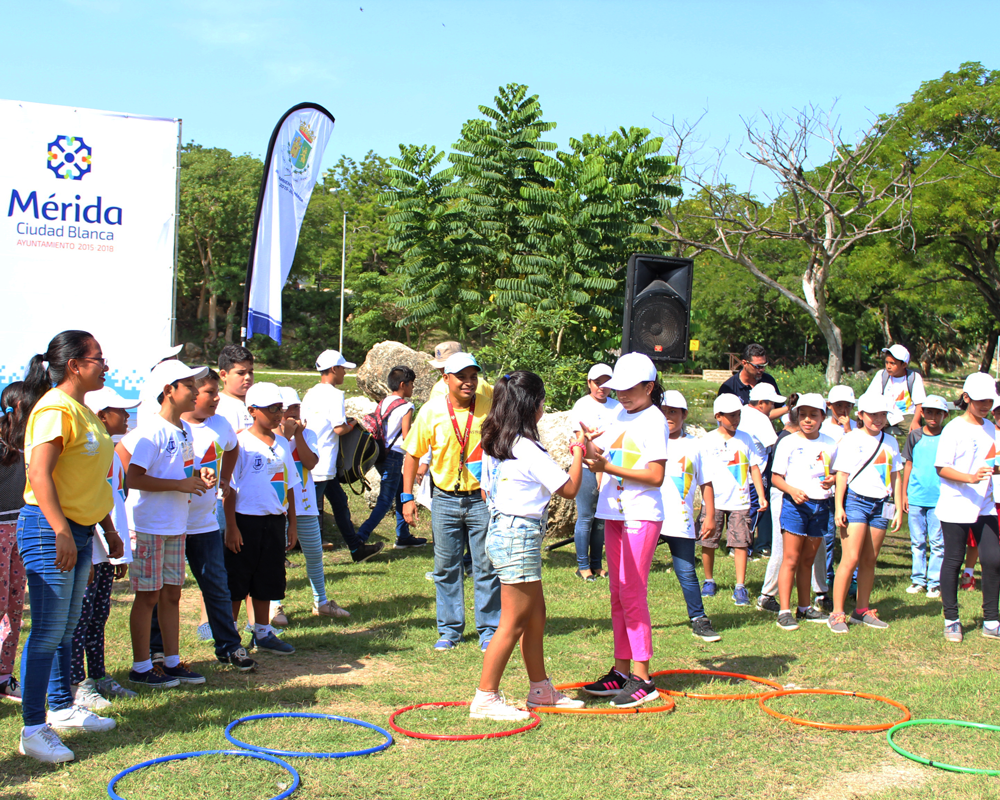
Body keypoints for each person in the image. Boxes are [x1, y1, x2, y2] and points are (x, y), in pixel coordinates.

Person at [17, 331, 123, 763]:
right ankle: (32, 728)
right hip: (49, 530)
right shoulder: (55, 409)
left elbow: (87, 481)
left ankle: (62, 708)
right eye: (99, 358)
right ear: (76, 365)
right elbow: (39, 474)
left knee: (66, 628)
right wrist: (61, 531)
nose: (106, 366)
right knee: (46, 631)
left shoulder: (83, 411)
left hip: (77, 531)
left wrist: (106, 530)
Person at [470, 371, 587, 719]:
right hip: (517, 537)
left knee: (535, 616)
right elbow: (569, 489)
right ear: (532, 405)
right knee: (513, 622)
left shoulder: (499, 441)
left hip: (508, 533)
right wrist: (579, 450)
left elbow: (489, 490)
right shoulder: (527, 448)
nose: (544, 406)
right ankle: (485, 698)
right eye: (542, 400)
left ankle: (540, 690)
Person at [146, 370, 257, 671]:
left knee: (217, 584)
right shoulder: (169, 426)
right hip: (169, 522)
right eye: (208, 392)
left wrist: (225, 478)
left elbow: (232, 448)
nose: (215, 398)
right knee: (162, 590)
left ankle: (229, 646)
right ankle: (157, 651)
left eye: (215, 392)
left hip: (203, 522)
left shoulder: (220, 424)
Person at [581, 353, 668, 708]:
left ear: (649, 387)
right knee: (617, 593)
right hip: (613, 512)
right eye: (619, 388)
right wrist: (586, 443)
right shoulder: (619, 413)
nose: (622, 395)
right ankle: (621, 671)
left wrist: (609, 469)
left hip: (641, 514)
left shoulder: (655, 419)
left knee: (632, 592)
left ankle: (643, 678)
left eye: (630, 389)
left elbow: (656, 476)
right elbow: (598, 454)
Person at [401, 352, 500, 652]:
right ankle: (449, 630)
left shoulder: (489, 406)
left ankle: (489, 631)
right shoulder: (431, 411)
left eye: (473, 376)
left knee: (486, 566)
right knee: (446, 568)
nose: (469, 382)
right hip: (444, 499)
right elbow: (412, 454)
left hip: (481, 499)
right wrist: (407, 498)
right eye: (462, 377)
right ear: (446, 379)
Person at [122, 361, 210, 688]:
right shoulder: (151, 432)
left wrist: (198, 475)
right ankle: (141, 667)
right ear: (168, 391)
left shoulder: (183, 430)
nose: (196, 391)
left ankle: (172, 662)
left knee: (172, 594)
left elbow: (179, 470)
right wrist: (179, 485)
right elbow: (133, 477)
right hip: (149, 526)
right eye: (189, 385)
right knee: (148, 596)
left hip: (175, 525)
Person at [69, 388, 140, 710]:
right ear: (100, 416)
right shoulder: (86, 453)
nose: (126, 417)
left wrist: (117, 548)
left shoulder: (110, 452)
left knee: (99, 617)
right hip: (87, 546)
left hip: (104, 550)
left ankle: (98, 675)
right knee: (79, 621)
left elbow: (113, 502)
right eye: (120, 411)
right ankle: (76, 683)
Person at [225, 382, 300, 655]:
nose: (278, 414)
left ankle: (263, 632)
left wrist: (292, 524)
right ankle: (230, 637)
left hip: (274, 521)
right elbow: (229, 487)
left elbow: (290, 485)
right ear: (252, 410)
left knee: (267, 578)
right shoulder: (240, 443)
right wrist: (231, 526)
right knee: (238, 579)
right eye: (271, 409)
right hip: (245, 521)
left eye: (280, 408)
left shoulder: (282, 443)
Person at [270, 387, 349, 624]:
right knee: (276, 555)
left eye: (296, 407)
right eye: (288, 409)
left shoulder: (308, 434)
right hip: (277, 505)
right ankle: (274, 605)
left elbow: (310, 462)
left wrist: (298, 436)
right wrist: (284, 435)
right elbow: (277, 458)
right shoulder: (270, 437)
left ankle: (321, 602)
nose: (293, 413)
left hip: (305, 504)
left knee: (314, 553)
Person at [828, 393, 903, 634]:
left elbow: (896, 475)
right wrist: (839, 507)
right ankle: (836, 613)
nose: (878, 419)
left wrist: (898, 507)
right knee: (850, 559)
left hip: (882, 504)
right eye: (872, 415)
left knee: (870, 559)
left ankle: (861, 610)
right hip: (856, 502)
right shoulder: (851, 439)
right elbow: (842, 475)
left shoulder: (891, 442)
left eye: (882, 415)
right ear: (860, 415)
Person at [936, 373, 1000, 643]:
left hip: (985, 505)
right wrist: (970, 478)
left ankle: (992, 620)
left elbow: (991, 462)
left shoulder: (991, 428)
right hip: (956, 504)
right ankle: (951, 619)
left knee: (993, 559)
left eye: (989, 401)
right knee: (954, 560)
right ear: (966, 398)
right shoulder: (953, 428)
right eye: (980, 400)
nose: (985, 405)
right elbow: (941, 468)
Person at [301, 349, 382, 563]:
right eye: (343, 369)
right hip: (324, 462)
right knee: (308, 508)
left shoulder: (311, 393)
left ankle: (356, 548)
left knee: (339, 502)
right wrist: (353, 423)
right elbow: (339, 428)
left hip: (311, 456)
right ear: (334, 369)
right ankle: (287, 548)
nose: (345, 373)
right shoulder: (335, 395)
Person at [770, 394, 838, 631]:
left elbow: (837, 473)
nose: (808, 420)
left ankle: (804, 607)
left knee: (808, 559)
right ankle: (784, 611)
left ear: (823, 417)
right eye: (803, 415)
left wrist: (832, 480)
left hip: (821, 506)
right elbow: (776, 478)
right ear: (796, 416)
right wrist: (792, 490)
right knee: (790, 558)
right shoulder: (788, 442)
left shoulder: (831, 443)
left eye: (813, 415)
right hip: (795, 506)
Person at [658, 390, 720, 642]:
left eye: (673, 412)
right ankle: (632, 618)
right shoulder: (649, 440)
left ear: (684, 415)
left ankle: (698, 618)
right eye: (663, 411)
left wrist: (710, 515)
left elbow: (706, 482)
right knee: (636, 571)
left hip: (680, 519)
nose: (667, 416)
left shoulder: (696, 445)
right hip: (649, 516)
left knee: (686, 571)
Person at [698, 394, 767, 606]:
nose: (736, 420)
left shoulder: (746, 438)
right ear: (718, 416)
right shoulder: (707, 440)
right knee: (709, 541)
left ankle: (740, 586)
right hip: (714, 501)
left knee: (741, 542)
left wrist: (761, 495)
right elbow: (702, 473)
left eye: (738, 415)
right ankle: (709, 580)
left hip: (740, 501)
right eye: (731, 416)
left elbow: (754, 468)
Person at [356, 367, 427, 550]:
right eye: (411, 384)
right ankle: (360, 536)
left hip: (379, 454)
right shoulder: (406, 407)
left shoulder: (384, 402)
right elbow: (407, 437)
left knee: (400, 490)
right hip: (394, 457)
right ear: (403, 384)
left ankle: (403, 536)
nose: (413, 387)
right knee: (385, 501)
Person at [570, 364, 621, 580]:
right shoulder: (582, 405)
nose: (602, 387)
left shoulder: (618, 407)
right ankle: (583, 566)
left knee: (601, 519)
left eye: (606, 382)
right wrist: (596, 465)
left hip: (611, 468)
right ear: (589, 383)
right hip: (587, 467)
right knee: (586, 516)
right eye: (597, 382)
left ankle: (597, 564)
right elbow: (580, 440)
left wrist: (605, 469)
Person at [901, 394, 949, 598]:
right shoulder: (914, 436)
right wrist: (904, 493)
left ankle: (935, 582)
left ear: (945, 415)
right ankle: (918, 579)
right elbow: (908, 464)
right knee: (917, 541)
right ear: (922, 413)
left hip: (940, 498)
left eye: (938, 413)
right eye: (929, 412)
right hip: (916, 496)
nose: (933, 417)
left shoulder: (947, 437)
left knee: (938, 543)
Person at [0, 383, 28, 701]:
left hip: (20, 529)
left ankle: (4, 675)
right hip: (0, 531)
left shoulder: (30, 441)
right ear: (18, 406)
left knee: (14, 607)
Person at [738, 383, 784, 558]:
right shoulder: (760, 418)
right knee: (757, 507)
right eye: (771, 403)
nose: (772, 407)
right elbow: (774, 444)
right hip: (757, 470)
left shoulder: (742, 411)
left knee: (743, 508)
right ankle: (745, 546)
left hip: (740, 470)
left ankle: (738, 544)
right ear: (761, 403)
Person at [717, 344, 787, 420]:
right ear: (744, 363)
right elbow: (723, 419)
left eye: (764, 365)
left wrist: (787, 423)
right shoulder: (729, 388)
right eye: (757, 366)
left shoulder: (768, 380)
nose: (762, 369)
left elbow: (780, 406)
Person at [866, 344, 926, 433]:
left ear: (904, 365)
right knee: (871, 430)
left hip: (906, 415)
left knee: (914, 434)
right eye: (886, 362)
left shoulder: (913, 377)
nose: (888, 366)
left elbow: (919, 403)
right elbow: (870, 396)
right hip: (884, 413)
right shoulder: (881, 375)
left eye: (892, 363)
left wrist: (916, 421)